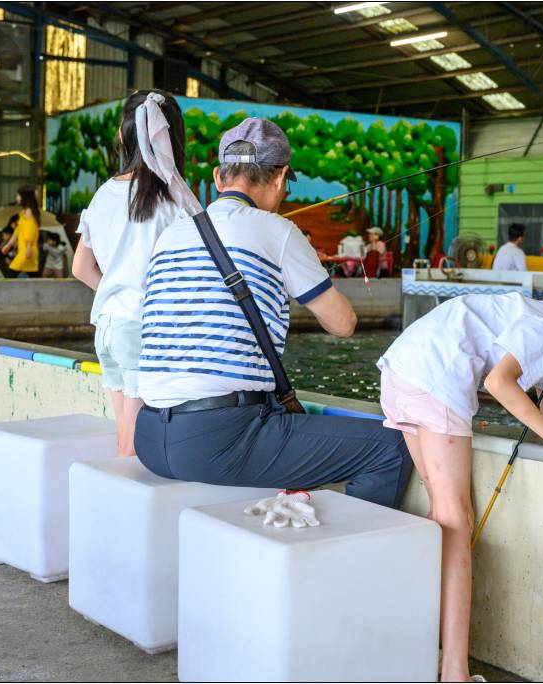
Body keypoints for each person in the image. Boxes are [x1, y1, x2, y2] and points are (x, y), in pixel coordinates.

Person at [134, 116, 412, 509]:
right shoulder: (278, 231)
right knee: (391, 449)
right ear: (280, 177)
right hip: (218, 439)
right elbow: (343, 324)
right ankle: (348, 565)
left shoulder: (171, 234)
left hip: (149, 436)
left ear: (218, 177)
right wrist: (302, 266)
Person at [377, 293, 543, 683]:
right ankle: (455, 672)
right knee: (456, 522)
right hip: (434, 378)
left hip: (402, 373)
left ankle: (423, 650)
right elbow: (498, 382)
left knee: (442, 518)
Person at [71, 90, 186, 457]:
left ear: (123, 135)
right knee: (132, 444)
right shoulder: (173, 199)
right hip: (141, 328)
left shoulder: (102, 194)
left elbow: (80, 268)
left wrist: (117, 290)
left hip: (106, 326)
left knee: (124, 431)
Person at [0, 187, 40, 278]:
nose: (17, 197)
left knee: (11, 273)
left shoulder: (28, 212)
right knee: (33, 275)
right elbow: (18, 231)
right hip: (25, 250)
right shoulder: (24, 212)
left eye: (18, 195)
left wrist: (29, 247)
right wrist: (9, 245)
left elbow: (31, 230)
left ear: (24, 197)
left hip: (27, 250)